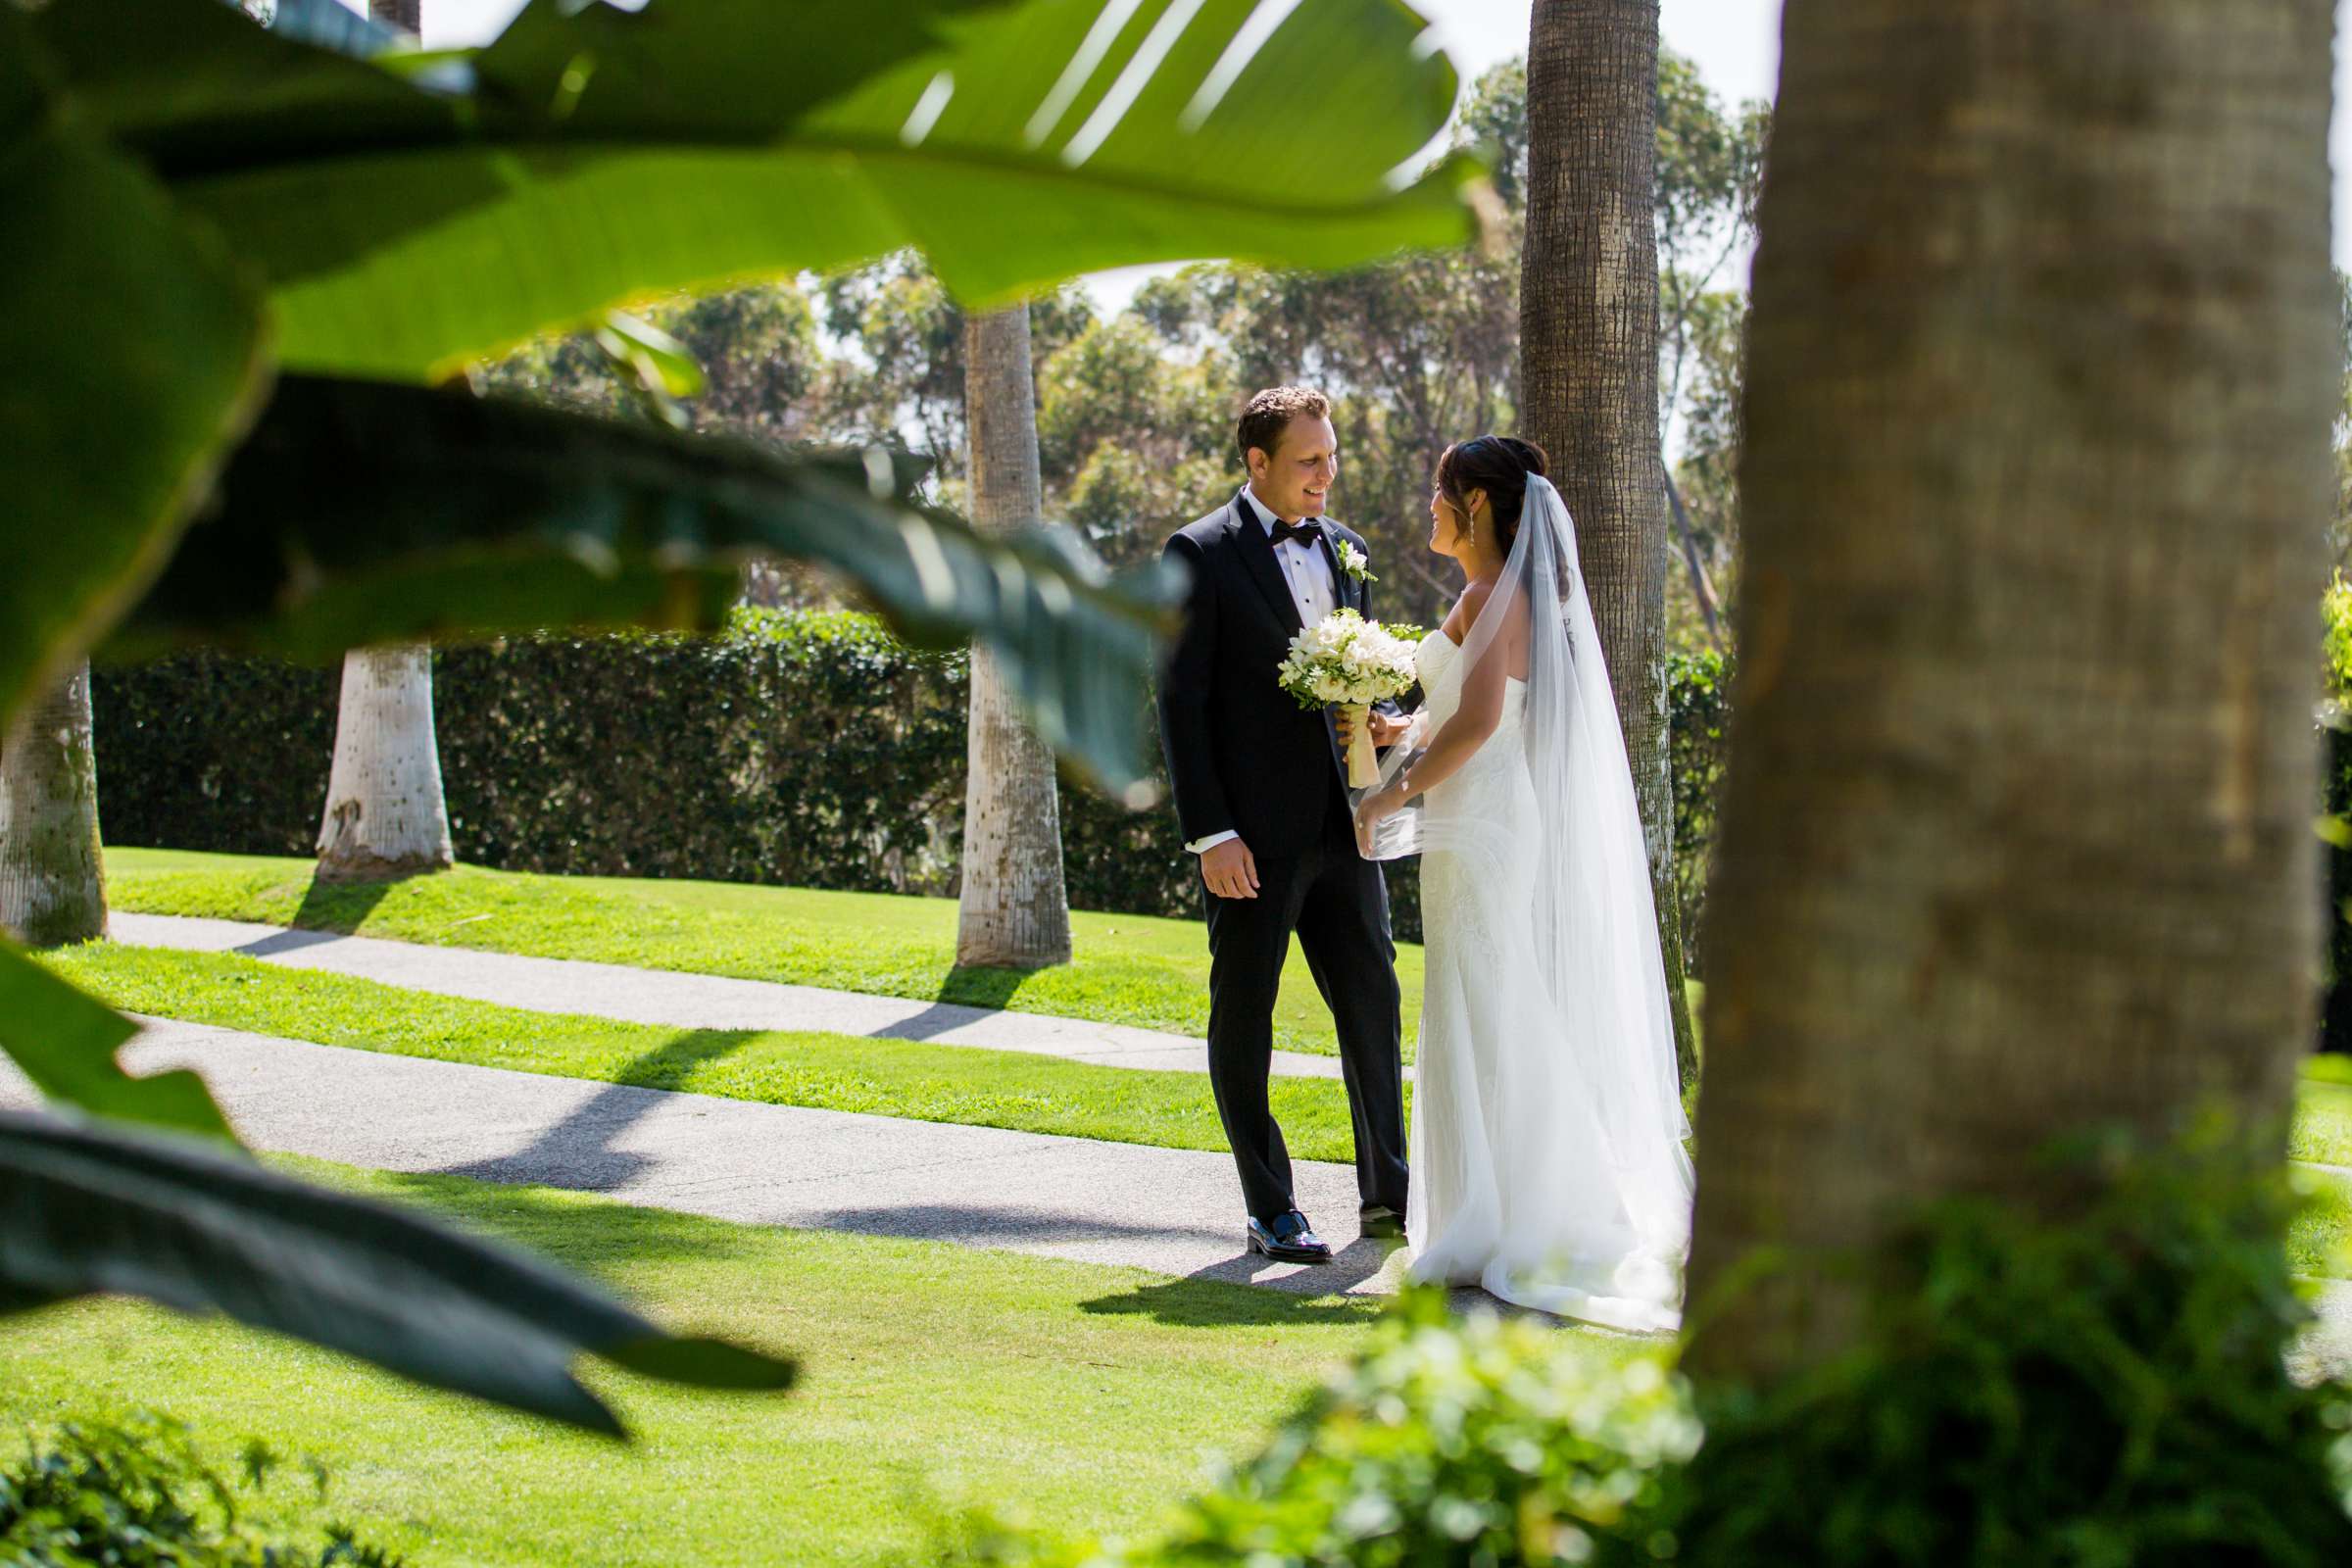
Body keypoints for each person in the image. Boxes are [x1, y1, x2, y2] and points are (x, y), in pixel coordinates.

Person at [1352, 436, 1693, 1330]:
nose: (1430, 505)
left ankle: (1521, 1213)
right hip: (1479, 824)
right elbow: (1452, 705)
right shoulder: (1491, 602)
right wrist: (1398, 727)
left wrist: (1386, 796)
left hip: (1487, 825)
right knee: (1477, 1006)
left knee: (1493, 1009)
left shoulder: (1487, 598)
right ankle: (1490, 1207)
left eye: (1440, 493)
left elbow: (1475, 727)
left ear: (1476, 506)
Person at [1155, 386, 1410, 1265]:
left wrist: (1382, 720)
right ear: (1257, 462)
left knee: (1374, 1007)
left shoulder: (1349, 551)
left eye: (1331, 456)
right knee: (1247, 1016)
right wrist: (1211, 833)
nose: (1326, 474)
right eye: (1309, 460)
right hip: (1252, 842)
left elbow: (1364, 682)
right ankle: (1272, 1208)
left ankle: (1390, 1199)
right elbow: (1180, 704)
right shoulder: (1197, 552)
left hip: (1348, 830)